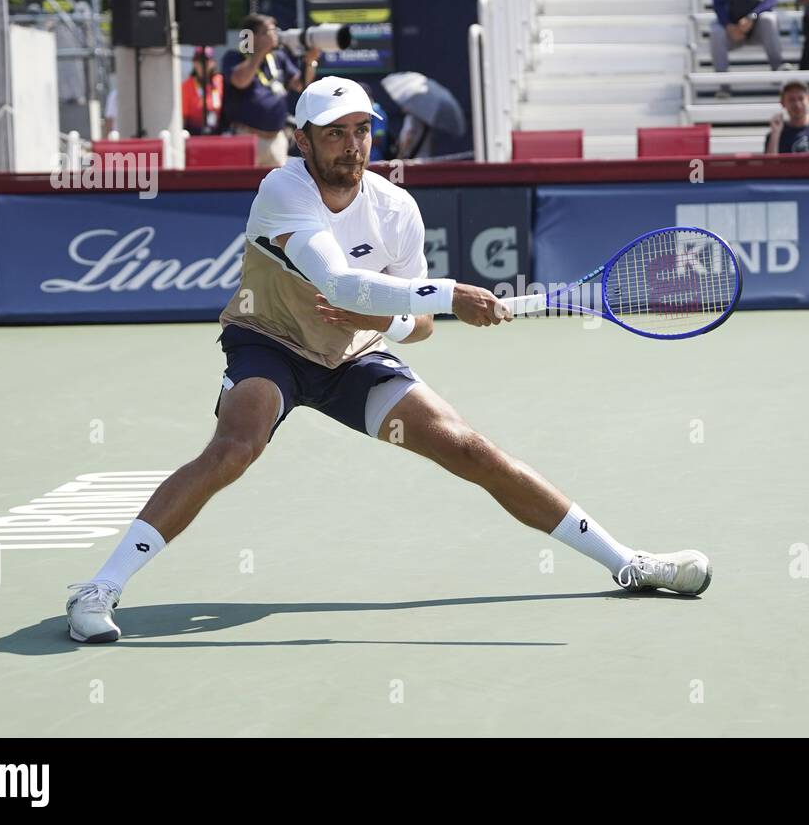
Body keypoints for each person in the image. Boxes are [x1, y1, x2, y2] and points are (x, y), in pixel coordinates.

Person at [63, 76, 712, 643]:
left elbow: (417, 326)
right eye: (336, 133)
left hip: (354, 357)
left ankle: (629, 562)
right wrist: (453, 295)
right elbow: (341, 282)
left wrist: (392, 317)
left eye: (362, 130)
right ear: (304, 139)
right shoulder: (283, 190)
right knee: (237, 444)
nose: (353, 144)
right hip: (270, 341)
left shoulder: (395, 207)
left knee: (470, 449)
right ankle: (98, 588)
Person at [222, 13, 320, 168]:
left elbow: (300, 84)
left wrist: (310, 61)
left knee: (277, 187)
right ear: (251, 36)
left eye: (275, 30)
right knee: (243, 186)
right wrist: (259, 52)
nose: (274, 35)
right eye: (268, 31)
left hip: (277, 138)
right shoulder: (235, 57)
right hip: (247, 137)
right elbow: (240, 81)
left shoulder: (278, 57)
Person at [710, 0, 789, 97]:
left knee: (769, 19)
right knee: (716, 31)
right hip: (734, 29)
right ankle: (723, 85)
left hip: (758, 28)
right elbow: (718, 3)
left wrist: (752, 17)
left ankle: (778, 70)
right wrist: (729, 26)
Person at [181, 46, 224, 136]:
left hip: (218, 134)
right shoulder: (186, 86)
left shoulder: (220, 81)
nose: (203, 64)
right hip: (195, 136)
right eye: (199, 60)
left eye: (206, 60)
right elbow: (183, 119)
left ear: (213, 62)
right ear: (194, 63)